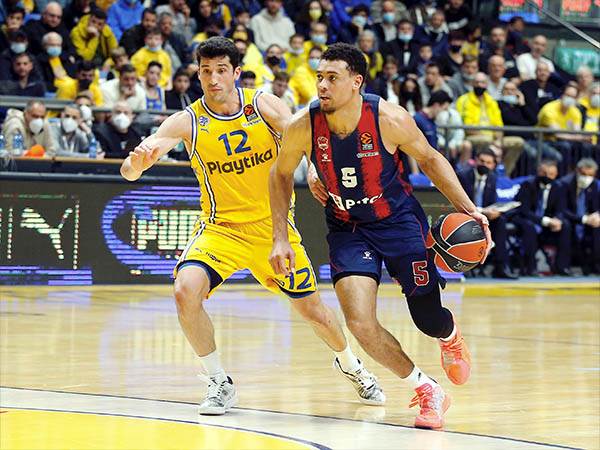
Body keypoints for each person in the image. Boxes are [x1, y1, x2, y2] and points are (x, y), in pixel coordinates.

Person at [119, 37, 383, 416]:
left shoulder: (263, 105)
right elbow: (130, 170)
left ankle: (351, 364)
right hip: (220, 230)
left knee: (314, 313)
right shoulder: (187, 121)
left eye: (221, 70)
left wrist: (313, 171)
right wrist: (137, 162)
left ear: (236, 73)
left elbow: (305, 137)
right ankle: (218, 381)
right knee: (184, 291)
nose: (213, 79)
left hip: (273, 231)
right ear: (198, 74)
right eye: (206, 71)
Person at [269, 43, 491, 430]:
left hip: (398, 222)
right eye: (319, 77)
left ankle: (450, 336)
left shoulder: (389, 118)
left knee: (427, 319)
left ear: (356, 82)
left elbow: (430, 159)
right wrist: (280, 237)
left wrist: (470, 208)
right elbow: (280, 174)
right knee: (359, 323)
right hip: (348, 227)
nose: (322, 86)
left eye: (332, 78)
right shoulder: (304, 124)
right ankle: (427, 390)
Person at [457, 148, 517, 278]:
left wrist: (494, 212)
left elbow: (491, 202)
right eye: (482, 161)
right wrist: (482, 211)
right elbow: (460, 202)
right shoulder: (463, 176)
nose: (484, 165)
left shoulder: (492, 178)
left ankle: (501, 266)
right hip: (465, 215)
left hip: (484, 216)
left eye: (488, 163)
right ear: (476, 161)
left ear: (494, 165)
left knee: (500, 221)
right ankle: (465, 265)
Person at [513, 159, 571, 276]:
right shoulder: (528, 185)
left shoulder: (559, 187)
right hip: (527, 220)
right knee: (529, 227)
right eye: (544, 173)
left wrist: (557, 220)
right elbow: (524, 210)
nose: (547, 176)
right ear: (538, 172)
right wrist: (545, 221)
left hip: (547, 223)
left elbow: (561, 209)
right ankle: (530, 267)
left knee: (565, 225)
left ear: (556, 174)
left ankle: (562, 267)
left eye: (551, 174)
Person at [560, 158, 600, 275]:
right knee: (566, 226)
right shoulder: (564, 184)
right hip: (570, 219)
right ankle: (563, 266)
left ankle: (595, 265)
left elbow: (596, 206)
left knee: (597, 225)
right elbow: (562, 209)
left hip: (587, 220)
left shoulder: (595, 184)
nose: (587, 178)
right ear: (577, 171)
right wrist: (583, 219)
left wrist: (596, 215)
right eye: (584, 174)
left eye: (590, 175)